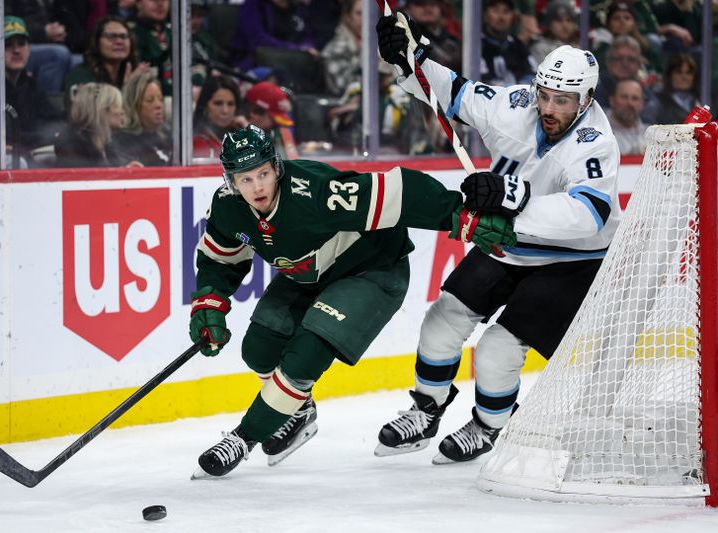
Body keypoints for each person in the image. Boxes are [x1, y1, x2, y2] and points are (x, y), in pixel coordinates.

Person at [188, 124, 517, 478]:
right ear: (230, 182)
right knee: (258, 348)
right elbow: (220, 259)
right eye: (246, 179)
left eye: (263, 174)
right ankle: (297, 413)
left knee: (306, 355)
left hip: (371, 270)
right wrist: (209, 303)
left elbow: (398, 191)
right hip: (309, 276)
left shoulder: (312, 191)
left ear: (276, 167)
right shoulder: (228, 208)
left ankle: (243, 439)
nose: (258, 187)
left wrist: (461, 215)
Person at [374, 14, 620, 463]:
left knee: (497, 350)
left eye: (561, 101)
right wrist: (409, 61)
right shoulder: (519, 103)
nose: (547, 108)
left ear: (586, 100)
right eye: (544, 95)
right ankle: (426, 410)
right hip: (508, 244)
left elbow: (586, 217)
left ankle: (491, 424)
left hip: (572, 263)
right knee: (443, 318)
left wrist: (513, 195)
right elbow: (452, 93)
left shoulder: (595, 142)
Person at [3, 16, 64, 165]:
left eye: (22, 44)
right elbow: (8, 136)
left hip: (32, 151)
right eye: (8, 45)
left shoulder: (31, 84)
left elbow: (55, 120)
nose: (16, 50)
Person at [63, 16, 141, 113]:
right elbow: (88, 117)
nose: (119, 41)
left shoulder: (135, 74)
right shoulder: (80, 76)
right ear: (96, 42)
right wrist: (127, 90)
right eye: (111, 37)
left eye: (124, 37)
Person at [54, 82, 125, 167]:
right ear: (100, 110)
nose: (121, 111)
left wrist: (126, 170)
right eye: (116, 106)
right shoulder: (70, 144)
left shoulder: (107, 141)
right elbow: (85, 178)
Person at [113, 71, 171, 166]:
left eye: (160, 99)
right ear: (134, 106)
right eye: (150, 100)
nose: (158, 105)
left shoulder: (166, 134)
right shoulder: (125, 142)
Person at [480, 0, 536, 87]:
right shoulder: (477, 45)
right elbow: (481, 79)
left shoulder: (517, 44)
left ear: (512, 17)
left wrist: (521, 88)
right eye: (496, 11)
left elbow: (532, 72)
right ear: (486, 14)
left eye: (506, 12)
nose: (501, 17)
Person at [192, 74, 247, 158]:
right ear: (205, 106)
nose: (225, 111)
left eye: (231, 104)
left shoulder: (241, 137)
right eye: (218, 103)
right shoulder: (198, 143)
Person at [245, 81, 296, 158]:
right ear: (254, 110)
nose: (275, 123)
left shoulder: (280, 134)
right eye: (273, 118)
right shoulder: (235, 134)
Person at [653, 53, 700, 125]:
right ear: (670, 76)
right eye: (679, 72)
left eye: (688, 73)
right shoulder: (657, 102)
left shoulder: (701, 100)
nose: (684, 77)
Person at [606, 78, 648, 154]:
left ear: (642, 104)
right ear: (612, 100)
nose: (630, 103)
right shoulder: (600, 132)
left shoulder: (651, 134)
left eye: (635, 98)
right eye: (624, 97)